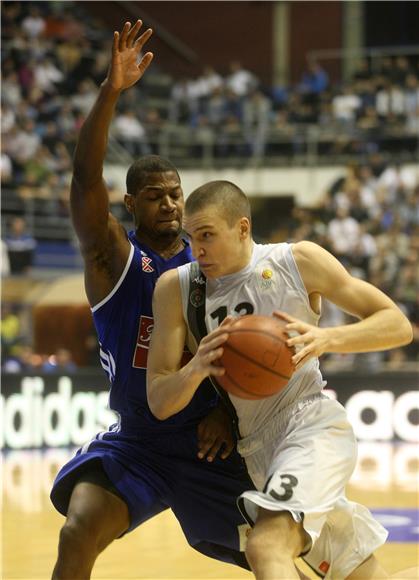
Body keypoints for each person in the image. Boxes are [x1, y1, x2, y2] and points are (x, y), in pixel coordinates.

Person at [50, 21, 256, 579]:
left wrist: (222, 413)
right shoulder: (113, 260)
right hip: (138, 442)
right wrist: (111, 91)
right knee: (78, 531)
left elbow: (239, 347)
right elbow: (83, 178)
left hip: (207, 441)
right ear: (130, 204)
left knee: (276, 544)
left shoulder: (211, 261)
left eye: (175, 195)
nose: (168, 205)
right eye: (154, 197)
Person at [147, 180, 415, 579]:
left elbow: (397, 325)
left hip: (312, 424)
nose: (197, 248)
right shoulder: (178, 288)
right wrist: (197, 367)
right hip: (258, 450)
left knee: (266, 545)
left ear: (242, 227)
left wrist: (328, 338)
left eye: (207, 235)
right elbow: (159, 400)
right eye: (191, 237)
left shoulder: (297, 261)